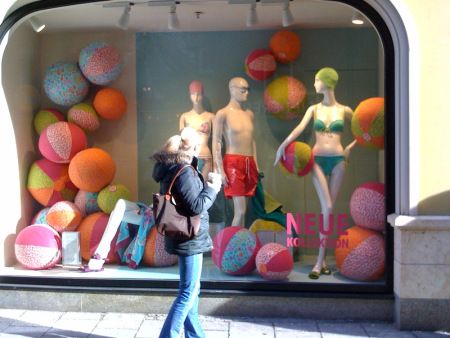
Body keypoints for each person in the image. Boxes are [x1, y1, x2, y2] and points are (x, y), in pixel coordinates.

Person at [274, 67, 356, 279]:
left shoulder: (345, 110)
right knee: (327, 207)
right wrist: (283, 145)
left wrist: (349, 148)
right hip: (317, 159)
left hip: (338, 160)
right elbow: (299, 129)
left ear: (327, 83)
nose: (314, 84)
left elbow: (361, 129)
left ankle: (323, 260)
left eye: (317, 80)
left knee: (327, 210)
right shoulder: (313, 109)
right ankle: (320, 262)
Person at [152, 127, 222, 338]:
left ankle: (195, 336)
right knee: (188, 292)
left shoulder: (171, 167)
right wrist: (212, 188)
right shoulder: (184, 172)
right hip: (190, 238)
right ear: (195, 147)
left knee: (191, 290)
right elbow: (196, 206)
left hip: (183, 236)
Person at [212, 77, 259, 227]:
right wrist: (220, 169)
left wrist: (256, 164)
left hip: (249, 162)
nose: (247, 93)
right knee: (241, 211)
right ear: (232, 90)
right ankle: (231, 246)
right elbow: (217, 142)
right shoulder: (222, 114)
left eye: (248, 89)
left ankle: (242, 245)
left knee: (245, 210)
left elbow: (252, 140)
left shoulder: (249, 114)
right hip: (233, 163)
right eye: (243, 89)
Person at [179, 80, 215, 178]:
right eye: (193, 94)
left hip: (206, 156)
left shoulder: (211, 117)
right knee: (192, 188)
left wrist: (217, 164)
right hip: (189, 157)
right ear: (189, 95)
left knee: (205, 187)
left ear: (202, 95)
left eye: (199, 94)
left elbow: (217, 142)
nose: (196, 97)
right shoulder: (184, 117)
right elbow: (181, 143)